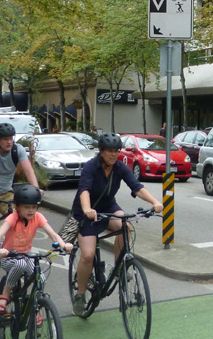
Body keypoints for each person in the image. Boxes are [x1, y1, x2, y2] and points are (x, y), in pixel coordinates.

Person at [69, 132, 163, 316]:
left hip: (108, 207)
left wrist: (154, 202)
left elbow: (137, 187)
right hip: (87, 212)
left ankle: (120, 267)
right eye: (109, 151)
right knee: (87, 255)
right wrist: (87, 209)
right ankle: (80, 295)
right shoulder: (91, 167)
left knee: (125, 225)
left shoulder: (120, 167)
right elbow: (84, 190)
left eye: (116, 151)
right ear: (101, 151)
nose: (113, 154)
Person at [0, 184, 73, 315]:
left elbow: (53, 234)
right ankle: (5, 295)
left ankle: (34, 307)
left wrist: (63, 245)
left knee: (41, 278)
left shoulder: (38, 217)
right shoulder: (12, 218)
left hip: (26, 255)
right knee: (20, 264)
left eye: (34, 207)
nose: (31, 211)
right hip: (9, 257)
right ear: (17, 207)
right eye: (26, 207)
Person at [0, 122, 42, 272]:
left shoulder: (17, 150)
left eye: (11, 138)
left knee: (17, 219)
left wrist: (36, 190)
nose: (9, 142)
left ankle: (11, 250)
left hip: (7, 193)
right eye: (5, 139)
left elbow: (28, 170)